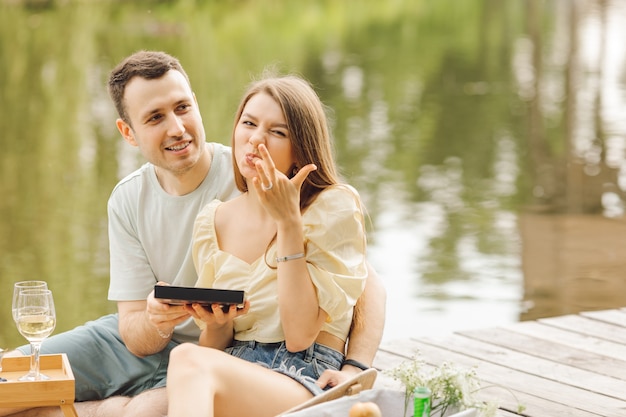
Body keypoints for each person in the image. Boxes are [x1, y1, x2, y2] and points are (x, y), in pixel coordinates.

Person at [1, 51, 386, 417]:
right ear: (128, 132)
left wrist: (356, 367)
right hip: (180, 349)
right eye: (154, 118)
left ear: (197, 104)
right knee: (8, 379)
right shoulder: (142, 202)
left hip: (223, 364)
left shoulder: (265, 181)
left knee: (146, 405)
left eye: (182, 107)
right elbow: (135, 329)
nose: (177, 127)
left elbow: (363, 282)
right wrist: (161, 317)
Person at [167, 73, 369, 417]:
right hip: (235, 369)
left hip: (307, 377)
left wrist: (289, 222)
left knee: (185, 358)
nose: (255, 139)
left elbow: (300, 335)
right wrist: (217, 323)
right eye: (248, 123)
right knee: (187, 362)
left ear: (300, 149)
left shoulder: (333, 207)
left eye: (277, 132)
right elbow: (216, 348)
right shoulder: (214, 220)